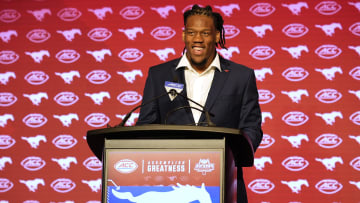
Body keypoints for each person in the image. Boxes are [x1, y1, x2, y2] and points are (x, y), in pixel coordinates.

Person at [137, 4, 263, 202]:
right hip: (169, 186)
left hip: (224, 184)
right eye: (191, 32)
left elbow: (252, 128)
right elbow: (145, 126)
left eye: (205, 33)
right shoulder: (158, 74)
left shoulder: (241, 76)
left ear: (216, 36)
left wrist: (229, 157)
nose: (197, 39)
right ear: (183, 36)